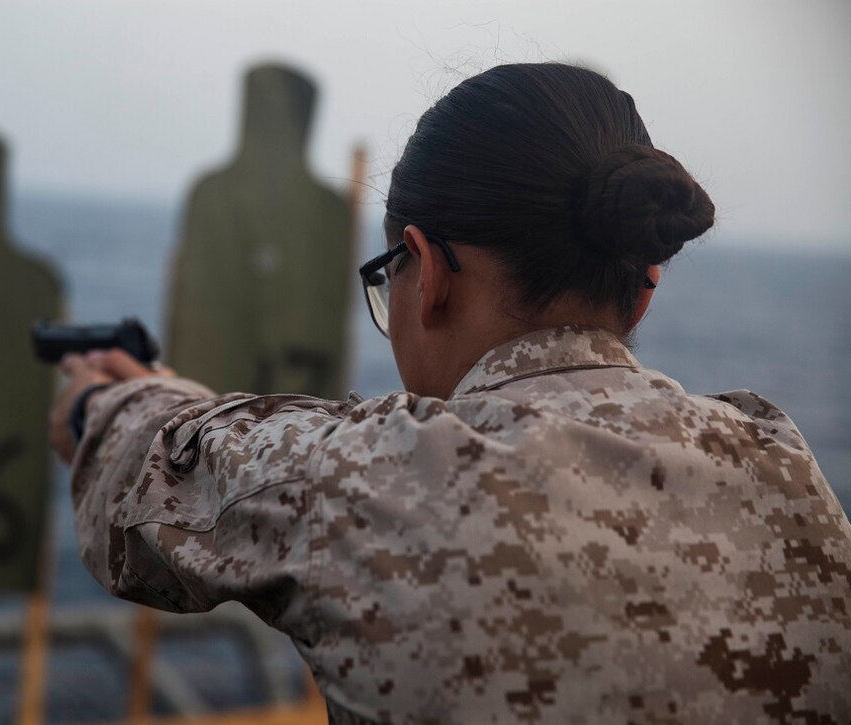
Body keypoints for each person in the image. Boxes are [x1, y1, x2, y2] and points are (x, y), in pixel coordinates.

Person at [50, 63, 851, 723]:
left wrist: (94, 400)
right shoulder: (782, 465)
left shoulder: (382, 479)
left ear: (425, 272)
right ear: (643, 290)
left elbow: (161, 467)